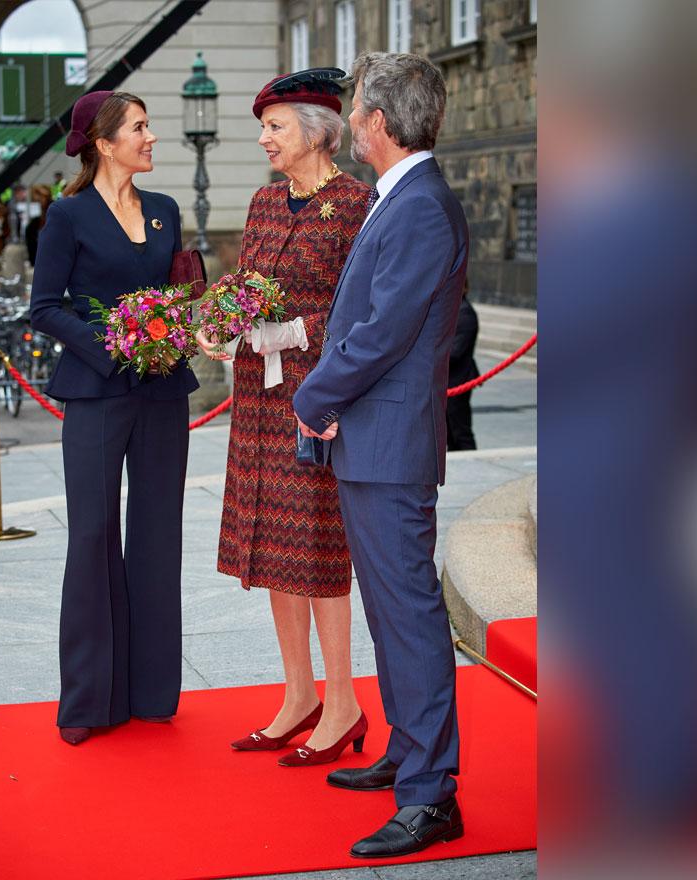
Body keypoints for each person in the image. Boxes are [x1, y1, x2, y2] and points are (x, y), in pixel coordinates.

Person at [293, 52, 470, 858]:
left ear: (378, 124)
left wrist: (314, 395)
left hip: (388, 442)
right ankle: (408, 752)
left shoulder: (421, 205)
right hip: (377, 440)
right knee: (391, 615)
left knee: (409, 616)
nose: (351, 116)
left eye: (357, 106)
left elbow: (381, 330)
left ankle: (431, 796)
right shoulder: (398, 198)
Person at [196, 69, 374, 766]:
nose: (264, 138)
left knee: (319, 551)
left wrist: (292, 332)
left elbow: (364, 315)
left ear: (317, 131)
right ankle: (298, 694)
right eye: (263, 127)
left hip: (318, 401)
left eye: (275, 126)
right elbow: (245, 288)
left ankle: (344, 702)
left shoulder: (358, 204)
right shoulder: (266, 202)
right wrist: (219, 321)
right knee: (274, 549)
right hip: (258, 399)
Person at [29, 90, 198, 746]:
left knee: (157, 537)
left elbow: (181, 291)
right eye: (139, 128)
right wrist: (112, 343)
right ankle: (90, 701)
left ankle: (153, 692)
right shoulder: (67, 218)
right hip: (97, 392)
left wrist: (194, 314)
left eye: (148, 126)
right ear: (103, 143)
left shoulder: (165, 212)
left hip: (163, 392)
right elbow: (44, 308)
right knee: (94, 537)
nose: (151, 137)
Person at [445, 296, 480, 450]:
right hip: (447, 381)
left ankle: (471, 462)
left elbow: (456, 352)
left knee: (460, 430)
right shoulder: (452, 309)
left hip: (459, 379)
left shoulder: (465, 314)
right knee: (449, 432)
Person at [24, 183, 52, 267]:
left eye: (43, 197)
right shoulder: (33, 225)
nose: (40, 200)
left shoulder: (54, 218)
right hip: (38, 262)